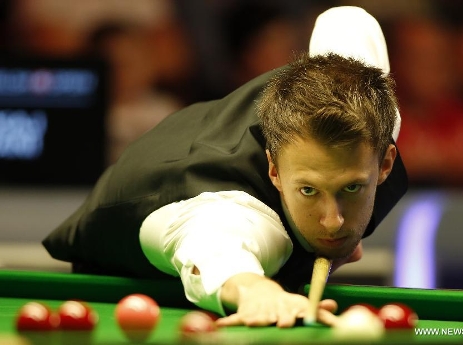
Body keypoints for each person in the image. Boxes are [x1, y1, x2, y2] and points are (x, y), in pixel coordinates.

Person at [42, 7, 407, 328]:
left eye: (351, 188)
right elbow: (216, 251)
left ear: (385, 162)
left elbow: (346, 21)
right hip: (123, 272)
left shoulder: (370, 108)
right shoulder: (231, 214)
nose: (333, 221)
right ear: (274, 171)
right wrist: (258, 291)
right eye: (308, 190)